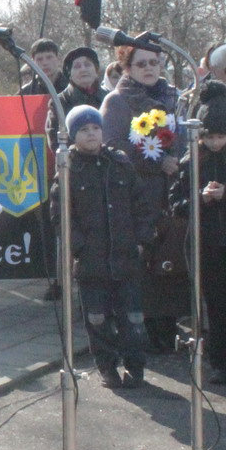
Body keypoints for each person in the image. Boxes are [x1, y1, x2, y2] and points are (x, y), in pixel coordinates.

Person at [171, 82, 226, 385]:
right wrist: (201, 199)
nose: (214, 143)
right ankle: (218, 362)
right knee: (214, 306)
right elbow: (176, 204)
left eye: (220, 137)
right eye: (209, 137)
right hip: (206, 244)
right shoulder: (191, 163)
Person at [58, 105, 154, 388]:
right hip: (92, 260)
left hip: (125, 256)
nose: (91, 134)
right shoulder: (68, 168)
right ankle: (106, 366)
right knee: (97, 318)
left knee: (132, 318)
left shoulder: (120, 163)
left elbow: (141, 205)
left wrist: (141, 241)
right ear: (73, 135)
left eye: (95, 128)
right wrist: (79, 246)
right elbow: (60, 214)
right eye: (84, 130)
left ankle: (135, 366)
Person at [100, 43, 184, 351]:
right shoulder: (117, 100)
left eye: (154, 62)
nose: (149, 68)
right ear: (127, 68)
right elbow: (112, 145)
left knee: (168, 260)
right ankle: (142, 329)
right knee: (142, 264)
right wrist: (157, 161)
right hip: (134, 195)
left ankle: (167, 326)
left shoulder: (171, 99)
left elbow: (179, 139)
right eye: (141, 64)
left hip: (168, 193)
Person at [46, 46, 104, 147]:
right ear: (70, 74)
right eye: (77, 66)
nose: (83, 69)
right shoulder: (59, 102)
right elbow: (55, 141)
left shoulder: (109, 98)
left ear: (96, 70)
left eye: (87, 65)